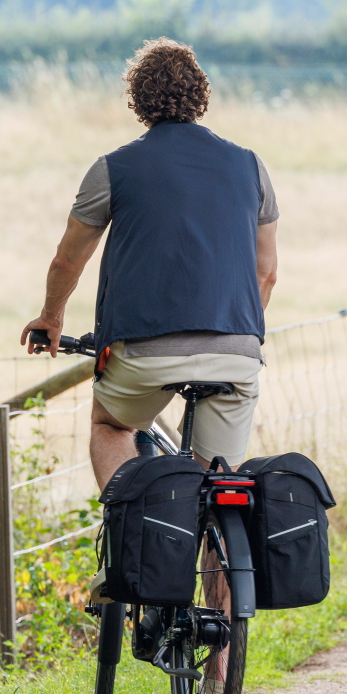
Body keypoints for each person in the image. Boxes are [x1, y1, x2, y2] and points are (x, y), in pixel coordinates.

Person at [21, 38, 279, 488]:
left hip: (145, 350)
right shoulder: (251, 167)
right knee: (221, 481)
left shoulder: (113, 168)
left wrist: (51, 317)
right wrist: (228, 331)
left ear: (137, 100)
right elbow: (267, 274)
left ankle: (128, 526)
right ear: (201, 93)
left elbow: (67, 260)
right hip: (237, 351)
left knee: (110, 425)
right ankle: (222, 529)